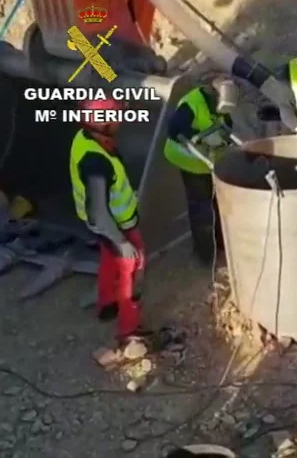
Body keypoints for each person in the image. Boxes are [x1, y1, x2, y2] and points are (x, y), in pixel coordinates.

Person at [69, 98, 147, 348]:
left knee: (108, 262)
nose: (120, 120)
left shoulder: (84, 139)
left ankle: (106, 305)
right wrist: (122, 241)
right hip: (116, 226)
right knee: (131, 271)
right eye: (115, 117)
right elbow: (98, 212)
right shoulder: (96, 163)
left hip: (104, 227)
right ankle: (129, 329)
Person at [164, 79, 234, 266]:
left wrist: (223, 139)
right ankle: (206, 254)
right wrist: (199, 139)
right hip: (189, 161)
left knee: (217, 204)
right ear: (213, 93)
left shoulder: (221, 103)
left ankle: (222, 243)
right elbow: (173, 130)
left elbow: (228, 125)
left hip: (210, 161)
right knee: (202, 208)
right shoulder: (191, 104)